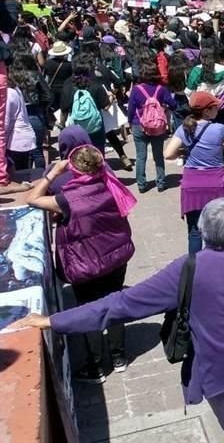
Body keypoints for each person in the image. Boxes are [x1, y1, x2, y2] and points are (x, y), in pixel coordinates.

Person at [10, 198, 224, 442]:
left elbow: (119, 305)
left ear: (203, 231)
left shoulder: (187, 269)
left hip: (222, 374)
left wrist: (54, 321)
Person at [25, 145, 136, 382]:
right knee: (115, 302)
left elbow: (31, 198)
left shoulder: (66, 199)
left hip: (86, 265)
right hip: (116, 258)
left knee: (89, 310)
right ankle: (119, 357)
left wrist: (52, 173)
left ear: (73, 168)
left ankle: (96, 367)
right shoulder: (111, 186)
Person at [164, 92, 224, 254]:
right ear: (206, 111)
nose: (218, 109)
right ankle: (218, 262)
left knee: (194, 231)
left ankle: (194, 266)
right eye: (215, 106)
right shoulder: (219, 128)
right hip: (216, 184)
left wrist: (183, 153)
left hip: (192, 185)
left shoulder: (185, 128)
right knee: (219, 229)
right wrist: (217, 147)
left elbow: (168, 153)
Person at [127, 62, 176, 193]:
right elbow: (173, 104)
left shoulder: (137, 89)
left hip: (140, 124)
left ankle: (142, 185)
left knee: (140, 156)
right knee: (158, 155)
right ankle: (161, 182)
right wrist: (164, 108)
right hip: (157, 126)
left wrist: (130, 122)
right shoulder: (161, 89)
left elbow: (131, 108)